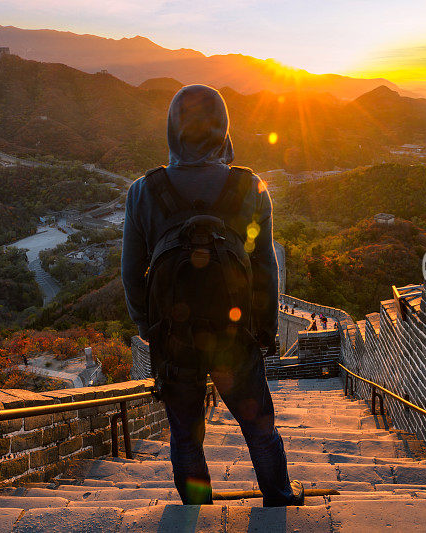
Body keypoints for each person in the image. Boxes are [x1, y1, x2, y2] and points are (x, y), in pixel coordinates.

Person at [121, 84, 304, 507]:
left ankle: (197, 509)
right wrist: (267, 331)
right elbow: (264, 268)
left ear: (172, 130)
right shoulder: (250, 187)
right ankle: (277, 496)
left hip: (173, 337)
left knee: (185, 431)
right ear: (223, 128)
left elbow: (132, 272)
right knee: (258, 425)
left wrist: (148, 329)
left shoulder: (143, 192)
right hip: (234, 334)